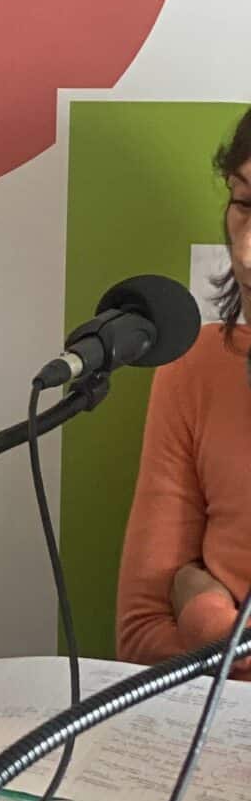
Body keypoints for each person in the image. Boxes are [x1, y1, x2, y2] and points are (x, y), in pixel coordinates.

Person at [116, 105, 251, 676]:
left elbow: (176, 631)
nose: (245, 253)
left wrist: (201, 612)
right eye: (244, 203)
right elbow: (141, 635)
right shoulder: (195, 367)